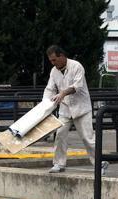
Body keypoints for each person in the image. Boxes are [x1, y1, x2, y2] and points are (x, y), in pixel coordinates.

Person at [43, 45, 108, 173]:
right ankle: (59, 163)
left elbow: (77, 86)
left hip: (82, 108)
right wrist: (43, 106)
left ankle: (99, 164)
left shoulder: (76, 66)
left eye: (54, 60)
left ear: (61, 56)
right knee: (60, 135)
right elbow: (49, 89)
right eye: (51, 60)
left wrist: (62, 93)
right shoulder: (54, 71)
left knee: (87, 138)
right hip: (65, 109)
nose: (52, 63)